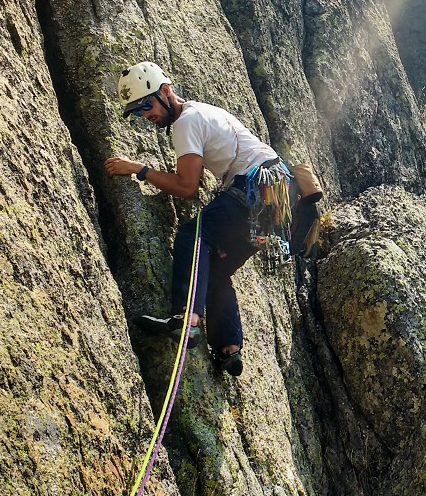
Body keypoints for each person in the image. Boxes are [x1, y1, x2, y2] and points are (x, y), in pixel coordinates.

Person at [104, 61, 298, 376]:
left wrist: (137, 168)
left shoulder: (185, 121)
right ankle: (228, 349)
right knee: (217, 268)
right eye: (138, 112)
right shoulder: (200, 111)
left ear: (166, 91)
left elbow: (186, 187)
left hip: (256, 184)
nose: (145, 115)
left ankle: (187, 320)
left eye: (147, 105)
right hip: (277, 194)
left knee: (193, 238)